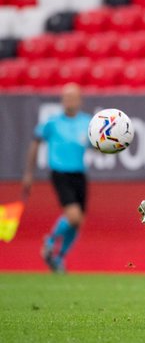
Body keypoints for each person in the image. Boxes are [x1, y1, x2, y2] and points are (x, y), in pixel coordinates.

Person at [22, 83, 91, 274]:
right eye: (67, 97)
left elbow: (98, 145)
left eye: (74, 97)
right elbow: (35, 142)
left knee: (78, 222)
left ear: (80, 100)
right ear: (62, 100)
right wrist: (29, 173)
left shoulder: (87, 122)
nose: (70, 100)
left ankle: (58, 258)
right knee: (73, 216)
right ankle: (50, 241)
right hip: (60, 173)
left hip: (79, 173)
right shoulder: (52, 123)